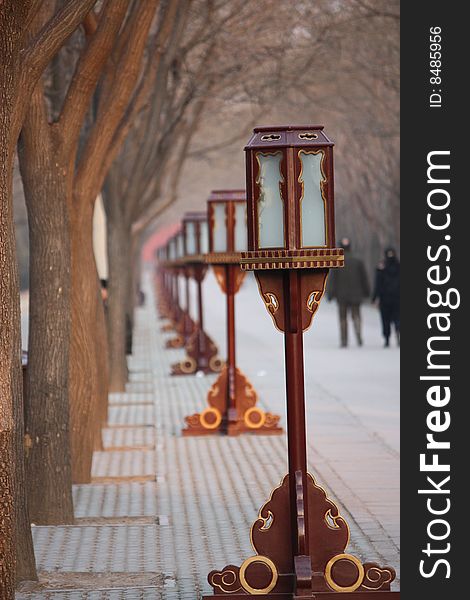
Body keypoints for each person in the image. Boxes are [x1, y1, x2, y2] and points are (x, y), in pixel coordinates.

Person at [328, 237, 370, 347]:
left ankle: (344, 340)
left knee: (343, 318)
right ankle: (358, 335)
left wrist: (330, 294)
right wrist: (367, 292)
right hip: (356, 294)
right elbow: (364, 278)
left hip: (341, 295)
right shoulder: (358, 261)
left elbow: (333, 279)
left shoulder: (337, 261)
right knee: (356, 316)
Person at [372, 247, 400, 347]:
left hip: (385, 298)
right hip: (398, 298)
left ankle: (387, 338)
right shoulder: (399, 266)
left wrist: (375, 298)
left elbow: (378, 284)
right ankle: (398, 332)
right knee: (398, 317)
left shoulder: (382, 268)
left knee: (385, 320)